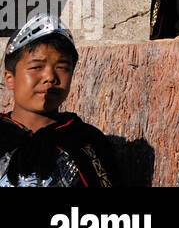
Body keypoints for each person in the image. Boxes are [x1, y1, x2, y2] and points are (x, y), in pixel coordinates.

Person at [1, 14, 118, 186]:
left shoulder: (86, 142)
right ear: (10, 79)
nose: (50, 77)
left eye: (62, 67)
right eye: (36, 67)